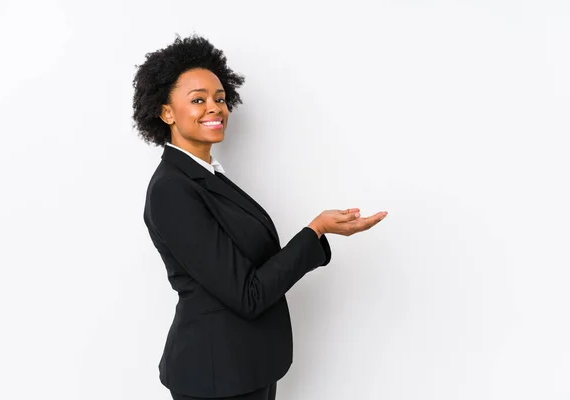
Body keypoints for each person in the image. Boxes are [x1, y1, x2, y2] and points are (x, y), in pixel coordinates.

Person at [132, 34, 388, 400]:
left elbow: (250, 268)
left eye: (220, 98)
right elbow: (248, 294)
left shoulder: (208, 177)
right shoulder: (172, 190)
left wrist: (317, 234)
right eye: (198, 100)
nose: (215, 108)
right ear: (166, 112)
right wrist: (315, 231)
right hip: (215, 377)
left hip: (245, 368)